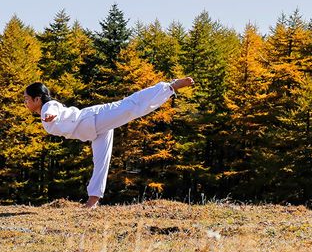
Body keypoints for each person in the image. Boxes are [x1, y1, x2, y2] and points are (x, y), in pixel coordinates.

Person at [23, 78, 195, 209]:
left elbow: (52, 110)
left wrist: (49, 116)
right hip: (94, 130)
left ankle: (169, 87)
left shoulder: (48, 107)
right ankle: (92, 200)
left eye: (27, 99)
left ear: (37, 99)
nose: (25, 102)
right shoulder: (45, 109)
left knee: (129, 106)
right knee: (101, 162)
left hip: (95, 119)